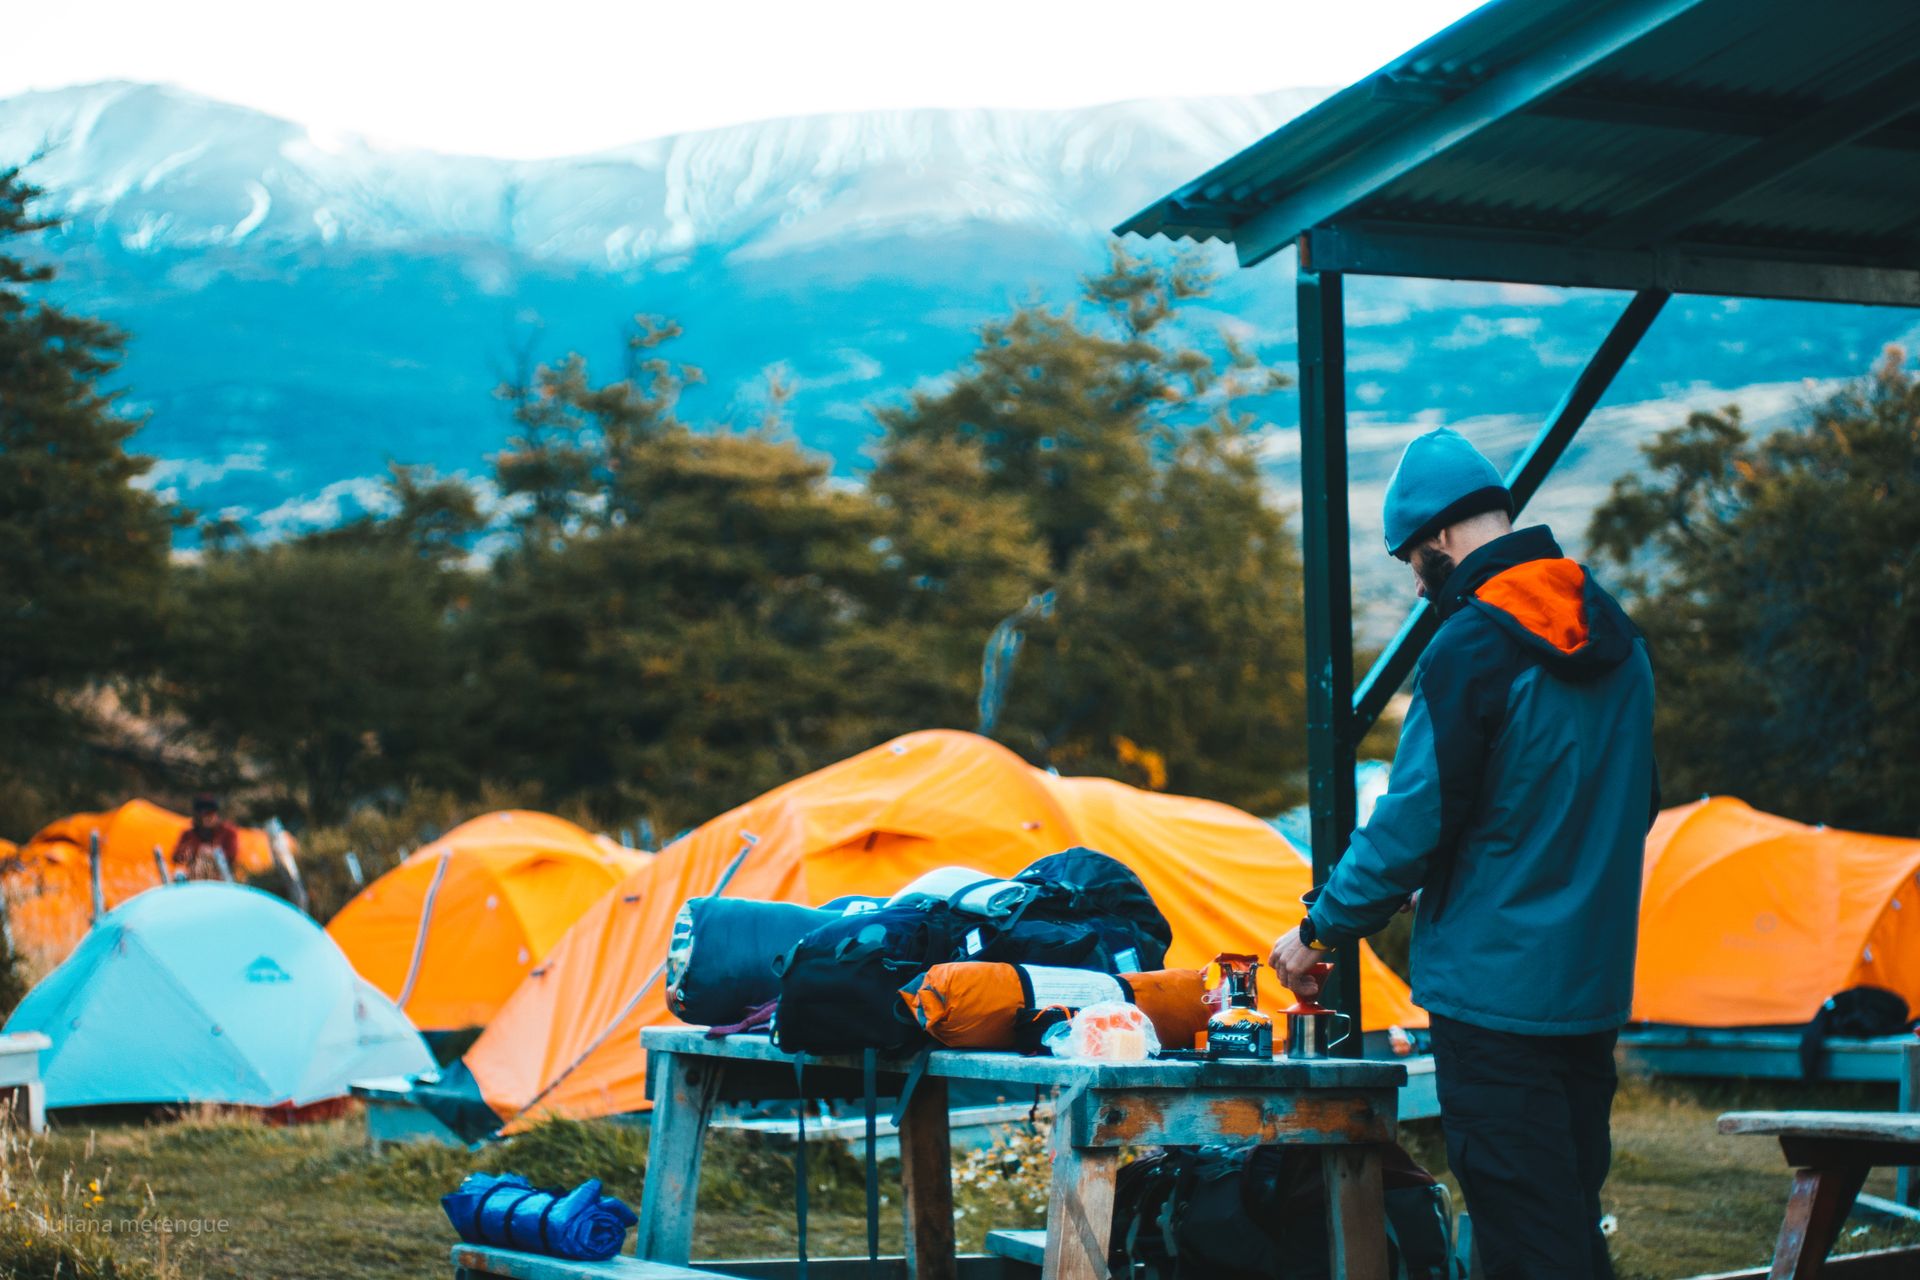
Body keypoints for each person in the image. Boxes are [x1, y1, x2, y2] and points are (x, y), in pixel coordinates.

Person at [1270, 426, 1657, 1280]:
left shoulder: (1472, 646)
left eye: (1412, 557)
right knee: (1562, 1208)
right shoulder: (1617, 635)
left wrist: (1321, 931)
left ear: (1440, 537)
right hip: (1589, 986)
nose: (1415, 582)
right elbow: (1616, 801)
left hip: (1493, 994)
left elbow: (1413, 821)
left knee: (1526, 1231)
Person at [171, 794, 241, 881]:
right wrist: (186, 854)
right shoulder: (189, 835)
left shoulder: (228, 832)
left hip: (221, 879)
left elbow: (232, 856)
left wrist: (212, 854)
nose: (204, 818)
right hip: (195, 878)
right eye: (201, 814)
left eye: (208, 814)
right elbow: (176, 857)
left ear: (216, 814)